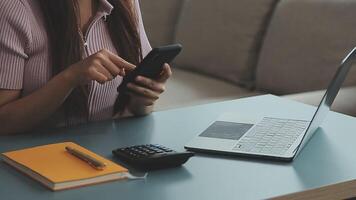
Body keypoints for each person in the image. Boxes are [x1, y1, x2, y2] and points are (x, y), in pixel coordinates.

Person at [0, 0, 172, 134]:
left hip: (106, 158)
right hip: (32, 159)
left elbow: (135, 111)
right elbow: (3, 123)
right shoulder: (14, 7)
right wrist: (69, 78)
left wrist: (143, 98)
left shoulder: (127, 3)